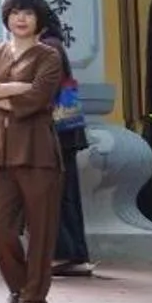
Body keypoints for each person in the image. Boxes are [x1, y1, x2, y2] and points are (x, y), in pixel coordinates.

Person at [0, 0, 70, 303]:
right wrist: (14, 88)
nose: (21, 18)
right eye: (14, 13)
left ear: (39, 19)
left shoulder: (49, 55)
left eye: (28, 13)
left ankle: (33, 302)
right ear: (7, 18)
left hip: (38, 153)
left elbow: (39, 97)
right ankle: (18, 286)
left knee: (42, 232)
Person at [44, 21, 94, 276]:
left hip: (58, 132)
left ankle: (67, 253)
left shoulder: (49, 47)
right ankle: (73, 253)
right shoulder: (53, 44)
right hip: (65, 131)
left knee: (61, 194)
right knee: (66, 193)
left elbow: (45, 91)